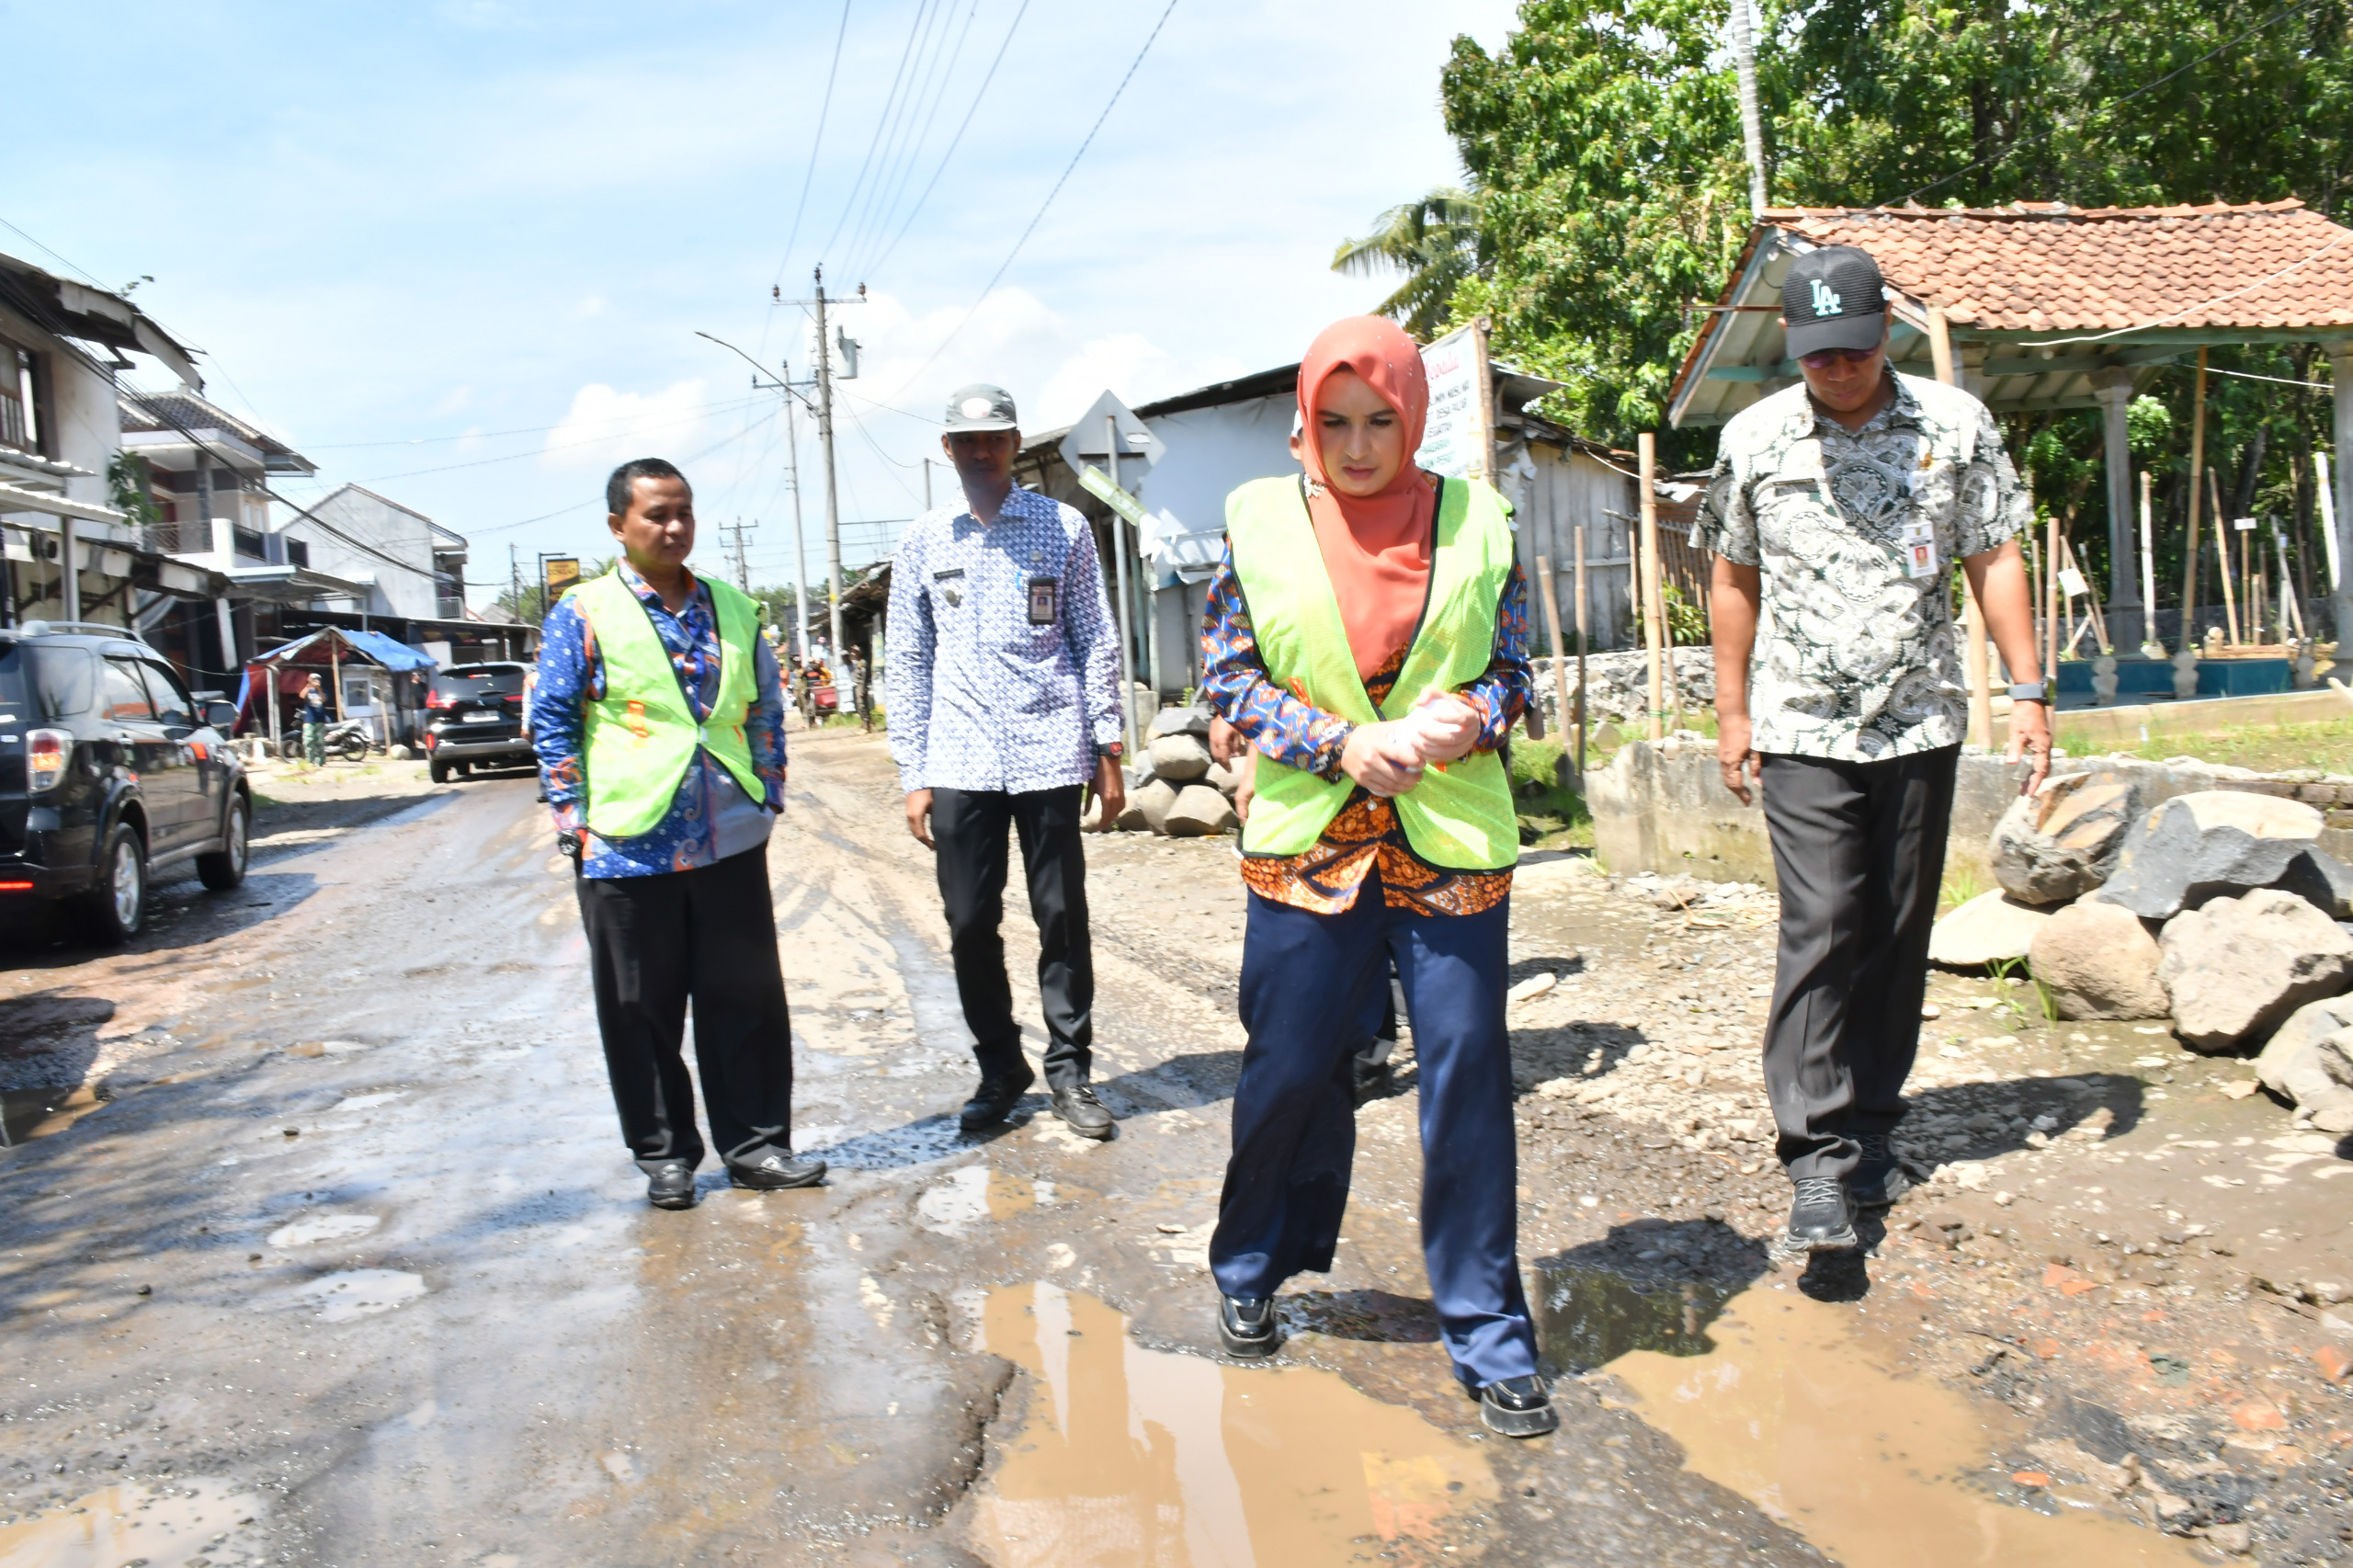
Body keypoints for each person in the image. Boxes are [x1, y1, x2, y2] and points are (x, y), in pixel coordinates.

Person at [1199, 316, 1553, 1438]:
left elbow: (1514, 668)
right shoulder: (1259, 522)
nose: (1358, 447)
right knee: (1290, 1066)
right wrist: (1337, 742)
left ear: (1412, 416)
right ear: (1307, 423)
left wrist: (1469, 717)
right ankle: (1253, 1261)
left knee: (1463, 1075)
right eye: (1335, 423)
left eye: (1381, 422)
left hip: (1448, 834)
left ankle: (1488, 1325)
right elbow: (1229, 672)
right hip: (1309, 831)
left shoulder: (1479, 520)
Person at [1699, 245, 2049, 1255]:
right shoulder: (1754, 439)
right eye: (1817, 357)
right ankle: (1814, 1156)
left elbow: (1993, 554)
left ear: (1884, 331)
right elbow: (1731, 577)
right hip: (1801, 722)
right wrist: (1731, 714)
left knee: (1895, 930)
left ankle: (1871, 1127)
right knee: (1822, 919)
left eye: (1852, 351)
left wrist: (2027, 689)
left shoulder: (1954, 426)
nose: (1837, 371)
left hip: (1918, 719)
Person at [531, 456, 824, 1210]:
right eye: (656, 515)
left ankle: (758, 1145)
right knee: (640, 1007)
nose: (673, 527)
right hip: (626, 842)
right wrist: (575, 822)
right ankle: (665, 1156)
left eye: (683, 512)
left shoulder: (733, 606)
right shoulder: (584, 611)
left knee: (745, 996)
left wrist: (768, 789)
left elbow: (762, 706)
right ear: (618, 526)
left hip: (727, 833)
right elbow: (554, 719)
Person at [886, 382, 1126, 1140]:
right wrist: (913, 772)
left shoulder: (1062, 528)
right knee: (967, 923)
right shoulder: (925, 542)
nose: (982, 450)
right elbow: (908, 659)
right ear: (947, 450)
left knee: (1061, 916)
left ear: (1015, 444)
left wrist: (1108, 746)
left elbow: (1095, 636)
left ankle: (1069, 1071)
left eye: (996, 437)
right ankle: (1000, 1069)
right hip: (958, 761)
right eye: (968, 439)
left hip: (1052, 749)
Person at [298, 674, 328, 767]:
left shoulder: (323, 691)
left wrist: (318, 689)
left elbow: (324, 699)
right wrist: (309, 685)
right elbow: (302, 696)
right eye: (314, 679)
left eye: (318, 679)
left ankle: (321, 761)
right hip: (309, 719)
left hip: (320, 719)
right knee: (308, 740)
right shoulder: (308, 690)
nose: (316, 681)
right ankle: (310, 761)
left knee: (320, 741)